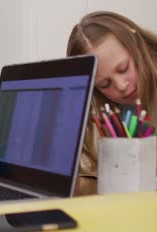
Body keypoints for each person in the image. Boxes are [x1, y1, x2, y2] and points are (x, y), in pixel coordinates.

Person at [66, 10, 157, 176]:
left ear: (136, 42)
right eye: (105, 84)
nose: (122, 86)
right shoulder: (95, 115)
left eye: (124, 68)